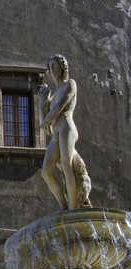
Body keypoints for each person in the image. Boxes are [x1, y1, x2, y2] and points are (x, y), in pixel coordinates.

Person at [40, 53, 88, 211]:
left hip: (66, 127)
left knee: (67, 166)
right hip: (56, 134)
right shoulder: (52, 97)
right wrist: (42, 103)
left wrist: (46, 119)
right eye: (50, 67)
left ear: (63, 67)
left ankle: (73, 209)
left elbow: (59, 107)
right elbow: (46, 129)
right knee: (46, 171)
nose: (52, 69)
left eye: (55, 65)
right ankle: (64, 206)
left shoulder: (70, 84)